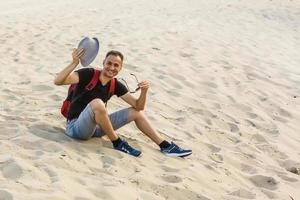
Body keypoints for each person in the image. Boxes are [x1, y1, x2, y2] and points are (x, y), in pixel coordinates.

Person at [54, 48, 192, 157]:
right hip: (76, 128)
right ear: (103, 63)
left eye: (116, 65)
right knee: (97, 103)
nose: (111, 67)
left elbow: (138, 106)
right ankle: (118, 143)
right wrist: (74, 63)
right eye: (109, 63)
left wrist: (144, 92)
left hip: (94, 129)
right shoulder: (88, 74)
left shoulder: (115, 84)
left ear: (120, 68)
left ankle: (166, 146)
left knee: (136, 113)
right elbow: (58, 81)